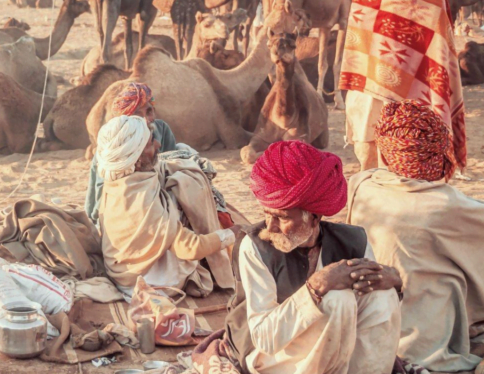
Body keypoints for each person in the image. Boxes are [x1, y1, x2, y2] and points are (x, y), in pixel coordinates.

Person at [196, 141, 402, 374]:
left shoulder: (353, 241)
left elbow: (380, 311)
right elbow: (264, 339)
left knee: (380, 294)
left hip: (338, 349)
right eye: (267, 214)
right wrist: (315, 287)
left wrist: (394, 280)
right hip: (268, 354)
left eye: (282, 218)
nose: (270, 227)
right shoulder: (254, 247)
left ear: (314, 218)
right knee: (337, 299)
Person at [347, 100, 484, 372]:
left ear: (387, 151)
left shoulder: (362, 184)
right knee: (450, 275)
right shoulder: (446, 205)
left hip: (362, 322)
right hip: (416, 343)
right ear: (438, 152)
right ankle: (475, 332)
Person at [339, 0, 466, 172]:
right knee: (368, 166)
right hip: (367, 94)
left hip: (413, 98)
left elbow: (436, 47)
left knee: (409, 169)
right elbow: (360, 43)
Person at [94, 115, 235, 296]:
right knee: (185, 191)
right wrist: (230, 235)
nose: (158, 145)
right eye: (151, 143)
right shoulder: (143, 201)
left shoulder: (116, 181)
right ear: (136, 157)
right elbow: (191, 248)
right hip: (148, 282)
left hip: (120, 273)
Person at [84, 82, 177, 223]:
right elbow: (99, 189)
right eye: (137, 115)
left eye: (149, 112)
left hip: (160, 204)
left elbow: (173, 166)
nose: (146, 120)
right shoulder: (114, 141)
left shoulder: (161, 129)